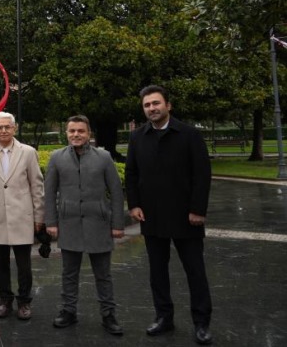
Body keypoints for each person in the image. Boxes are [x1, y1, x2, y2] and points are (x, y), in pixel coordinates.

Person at [125, 85, 213, 345]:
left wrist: (198, 209)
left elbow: (202, 174)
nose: (152, 108)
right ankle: (164, 317)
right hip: (151, 216)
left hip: (186, 217)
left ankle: (202, 323)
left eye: (156, 103)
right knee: (157, 272)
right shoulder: (138, 137)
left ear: (168, 105)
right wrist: (134, 205)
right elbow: (131, 174)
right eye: (147, 105)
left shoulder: (189, 134)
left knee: (195, 271)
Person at [44, 115, 124, 335]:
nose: (76, 135)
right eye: (72, 131)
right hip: (68, 223)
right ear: (66, 133)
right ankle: (68, 311)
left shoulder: (104, 157)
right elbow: (49, 193)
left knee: (103, 274)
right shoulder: (57, 157)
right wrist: (50, 221)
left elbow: (116, 192)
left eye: (80, 131)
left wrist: (118, 224)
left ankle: (108, 315)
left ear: (89, 133)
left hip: (98, 223)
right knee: (69, 273)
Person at [0, 111, 44, 321]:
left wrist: (38, 216)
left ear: (14, 128)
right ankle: (5, 299)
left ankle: (24, 301)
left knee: (24, 264)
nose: (4, 130)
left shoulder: (28, 152)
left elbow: (37, 185)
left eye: (7, 127)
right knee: (0, 263)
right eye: (0, 127)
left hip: (22, 216)